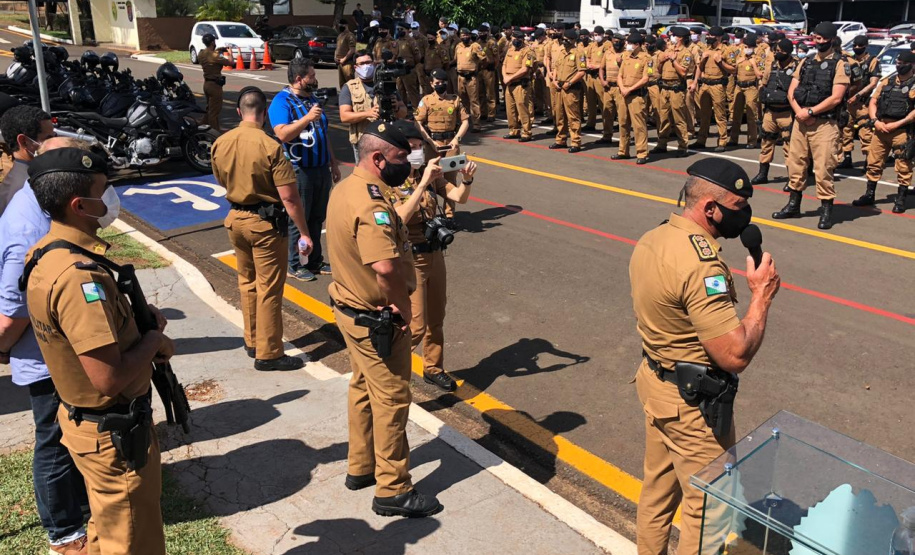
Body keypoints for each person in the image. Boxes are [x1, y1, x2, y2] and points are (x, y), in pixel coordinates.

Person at [24, 147, 176, 555]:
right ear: (80, 205)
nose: (110, 197)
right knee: (132, 541)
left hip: (92, 427)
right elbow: (108, 378)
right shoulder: (78, 280)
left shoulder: (46, 253)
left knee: (107, 530)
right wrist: (153, 340)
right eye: (103, 189)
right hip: (114, 435)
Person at [630, 158, 780, 555]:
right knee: (710, 508)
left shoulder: (655, 237)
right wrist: (761, 297)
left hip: (657, 384)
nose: (744, 215)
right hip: (692, 407)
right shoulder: (701, 265)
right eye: (737, 206)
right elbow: (733, 354)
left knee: (658, 492)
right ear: (710, 208)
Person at [326, 120, 443, 518]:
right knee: (392, 398)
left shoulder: (346, 188)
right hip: (376, 318)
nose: (406, 164)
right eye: (400, 157)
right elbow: (386, 268)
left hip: (349, 310)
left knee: (362, 386)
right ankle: (392, 488)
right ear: (378, 158)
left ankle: (361, 466)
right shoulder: (371, 204)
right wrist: (405, 310)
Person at [0, 138, 89, 555]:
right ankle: (64, 532)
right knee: (54, 443)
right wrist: (4, 349)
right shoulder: (28, 231)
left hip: (58, 352)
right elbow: (12, 310)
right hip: (46, 358)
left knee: (70, 438)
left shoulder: (38, 207)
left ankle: (80, 507)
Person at [214, 86, 313, 370]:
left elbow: (221, 179)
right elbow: (289, 198)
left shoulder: (220, 142)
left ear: (239, 111)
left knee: (247, 283)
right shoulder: (271, 147)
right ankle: (269, 353)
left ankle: (252, 339)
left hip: (235, 218)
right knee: (269, 288)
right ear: (264, 113)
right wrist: (304, 231)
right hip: (264, 224)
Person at [389, 120, 477, 392]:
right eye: (411, 147)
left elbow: (459, 197)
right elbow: (399, 218)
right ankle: (388, 371)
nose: (416, 152)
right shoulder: (391, 181)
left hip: (435, 253)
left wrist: (467, 179)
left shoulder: (429, 175)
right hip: (411, 259)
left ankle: (433, 368)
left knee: (436, 317)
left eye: (419, 146)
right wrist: (423, 183)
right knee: (415, 325)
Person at [772, 22, 849, 230]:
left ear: (831, 40)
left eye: (822, 39)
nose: (819, 42)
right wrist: (800, 112)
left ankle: (826, 211)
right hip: (801, 121)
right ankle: (793, 205)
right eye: (816, 38)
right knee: (795, 164)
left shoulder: (840, 64)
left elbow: (836, 97)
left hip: (824, 124)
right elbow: (791, 91)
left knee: (823, 168)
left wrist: (811, 112)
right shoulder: (806, 62)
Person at [269, 58, 341, 281]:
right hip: (299, 169)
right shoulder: (282, 102)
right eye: (312, 76)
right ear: (299, 79)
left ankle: (315, 259)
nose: (315, 80)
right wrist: (307, 118)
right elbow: (282, 134)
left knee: (317, 217)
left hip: (320, 167)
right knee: (299, 217)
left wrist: (333, 161)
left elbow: (322, 132)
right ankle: (296, 263)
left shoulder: (312, 99)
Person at [852, 50, 915, 213]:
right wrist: (875, 121)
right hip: (880, 128)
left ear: (912, 66)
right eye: (898, 63)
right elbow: (873, 101)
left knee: (903, 165)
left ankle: (901, 199)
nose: (900, 66)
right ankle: (869, 194)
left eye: (904, 64)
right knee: (873, 162)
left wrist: (898, 124)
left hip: (901, 130)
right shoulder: (887, 81)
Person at [340, 51, 408, 163]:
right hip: (363, 141)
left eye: (368, 62)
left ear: (374, 63)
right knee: (365, 172)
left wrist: (396, 107)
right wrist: (368, 113)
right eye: (362, 63)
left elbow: (404, 112)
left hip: (387, 139)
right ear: (355, 67)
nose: (366, 66)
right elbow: (344, 116)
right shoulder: (349, 87)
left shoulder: (387, 85)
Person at [752, 38, 796, 185]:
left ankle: (792, 179)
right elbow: (763, 83)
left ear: (788, 52)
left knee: (789, 147)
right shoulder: (772, 66)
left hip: (787, 113)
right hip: (770, 112)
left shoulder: (796, 67)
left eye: (780, 51)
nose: (777, 53)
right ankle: (762, 174)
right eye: (776, 51)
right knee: (766, 144)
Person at [838, 35, 881, 169]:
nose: (857, 48)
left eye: (859, 46)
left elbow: (873, 83)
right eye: (855, 46)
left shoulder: (872, 61)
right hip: (848, 102)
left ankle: (868, 160)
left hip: (862, 103)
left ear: (865, 46)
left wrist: (858, 95)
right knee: (846, 130)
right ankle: (847, 157)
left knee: (865, 131)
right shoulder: (850, 60)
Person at [0, 105, 53, 214]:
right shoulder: (29, 187)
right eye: (49, 139)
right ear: (24, 141)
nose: (55, 143)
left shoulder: (18, 179)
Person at [651, 26, 693, 157]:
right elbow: (658, 69)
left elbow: (683, 72)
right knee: (663, 118)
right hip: (664, 88)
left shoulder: (686, 53)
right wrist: (662, 60)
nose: (671, 37)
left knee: (679, 119)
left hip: (676, 89)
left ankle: (682, 146)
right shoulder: (667, 50)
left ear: (680, 38)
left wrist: (674, 60)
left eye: (674, 35)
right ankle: (661, 144)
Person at [693, 26, 736, 152]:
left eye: (712, 36)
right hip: (705, 84)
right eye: (709, 35)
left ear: (719, 37)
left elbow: (733, 69)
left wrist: (721, 62)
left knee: (719, 115)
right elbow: (699, 68)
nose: (709, 37)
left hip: (717, 85)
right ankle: (701, 140)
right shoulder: (706, 49)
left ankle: (722, 141)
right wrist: (695, 82)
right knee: (704, 114)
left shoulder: (727, 50)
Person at [614, 32, 651, 164]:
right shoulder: (626, 56)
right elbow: (619, 75)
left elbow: (646, 78)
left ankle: (642, 153)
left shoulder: (647, 58)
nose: (627, 45)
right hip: (623, 94)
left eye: (630, 43)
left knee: (638, 126)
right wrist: (622, 87)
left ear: (637, 45)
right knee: (623, 123)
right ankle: (623, 151)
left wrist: (629, 89)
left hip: (636, 96)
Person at [549, 29, 587, 153]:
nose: (564, 41)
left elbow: (581, 72)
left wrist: (569, 83)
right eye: (563, 39)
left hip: (571, 89)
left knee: (573, 117)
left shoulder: (579, 53)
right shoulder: (562, 52)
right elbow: (556, 67)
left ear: (573, 40)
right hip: (559, 87)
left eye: (567, 39)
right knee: (559, 115)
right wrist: (554, 80)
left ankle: (575, 142)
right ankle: (561, 139)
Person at [728, 32, 763, 148]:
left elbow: (760, 75)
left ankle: (752, 140)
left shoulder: (757, 58)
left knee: (751, 115)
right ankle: (733, 139)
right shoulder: (740, 56)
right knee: (736, 114)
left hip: (751, 87)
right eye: (746, 46)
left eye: (749, 47)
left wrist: (754, 64)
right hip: (739, 86)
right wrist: (737, 63)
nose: (747, 49)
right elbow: (733, 71)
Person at [502, 32, 536, 142]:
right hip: (509, 83)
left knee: (522, 109)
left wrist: (510, 78)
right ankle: (514, 130)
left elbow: (525, 69)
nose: (515, 40)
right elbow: (504, 65)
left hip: (520, 84)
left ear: (522, 39)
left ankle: (526, 132)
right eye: (514, 38)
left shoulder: (528, 51)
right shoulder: (510, 50)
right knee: (510, 109)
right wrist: (505, 76)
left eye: (518, 38)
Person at [198, 33, 233, 133]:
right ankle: (214, 133)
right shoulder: (214, 56)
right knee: (214, 111)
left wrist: (218, 51)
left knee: (209, 109)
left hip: (207, 83)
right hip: (215, 85)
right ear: (212, 42)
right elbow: (230, 62)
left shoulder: (201, 54)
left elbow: (211, 56)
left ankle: (200, 127)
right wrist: (230, 52)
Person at [597, 33, 627, 146]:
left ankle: (623, 139)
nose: (616, 44)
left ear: (623, 42)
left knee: (622, 115)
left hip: (620, 88)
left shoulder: (627, 53)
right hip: (608, 87)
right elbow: (601, 68)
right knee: (607, 113)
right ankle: (607, 136)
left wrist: (621, 63)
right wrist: (602, 81)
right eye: (614, 42)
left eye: (618, 42)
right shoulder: (608, 52)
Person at [455, 28, 486, 132]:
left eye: (466, 35)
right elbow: (456, 59)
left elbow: (484, 59)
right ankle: (465, 122)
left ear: (470, 35)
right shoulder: (458, 46)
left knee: (474, 101)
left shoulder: (475, 46)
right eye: (462, 35)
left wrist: (477, 70)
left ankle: (476, 124)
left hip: (471, 77)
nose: (465, 37)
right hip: (460, 77)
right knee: (462, 100)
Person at [394, 22, 422, 110]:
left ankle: (417, 111)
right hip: (399, 70)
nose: (399, 31)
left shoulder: (411, 41)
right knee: (400, 91)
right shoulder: (397, 41)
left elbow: (417, 56)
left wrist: (411, 65)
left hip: (409, 70)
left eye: (401, 29)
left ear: (407, 30)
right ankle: (403, 110)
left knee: (411, 91)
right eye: (398, 29)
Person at [478, 26, 499, 122]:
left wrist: (494, 67)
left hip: (489, 70)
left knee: (490, 92)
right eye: (480, 32)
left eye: (483, 32)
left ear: (487, 32)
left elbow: (496, 57)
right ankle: (483, 112)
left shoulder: (492, 43)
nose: (482, 34)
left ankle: (491, 113)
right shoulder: (477, 43)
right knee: (481, 92)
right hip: (480, 70)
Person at [336, 21, 358, 88]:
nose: (340, 26)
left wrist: (344, 59)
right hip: (339, 63)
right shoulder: (340, 36)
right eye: (339, 25)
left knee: (350, 83)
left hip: (347, 63)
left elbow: (352, 50)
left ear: (346, 25)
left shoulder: (350, 36)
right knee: (342, 84)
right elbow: (337, 48)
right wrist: (335, 57)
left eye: (342, 25)